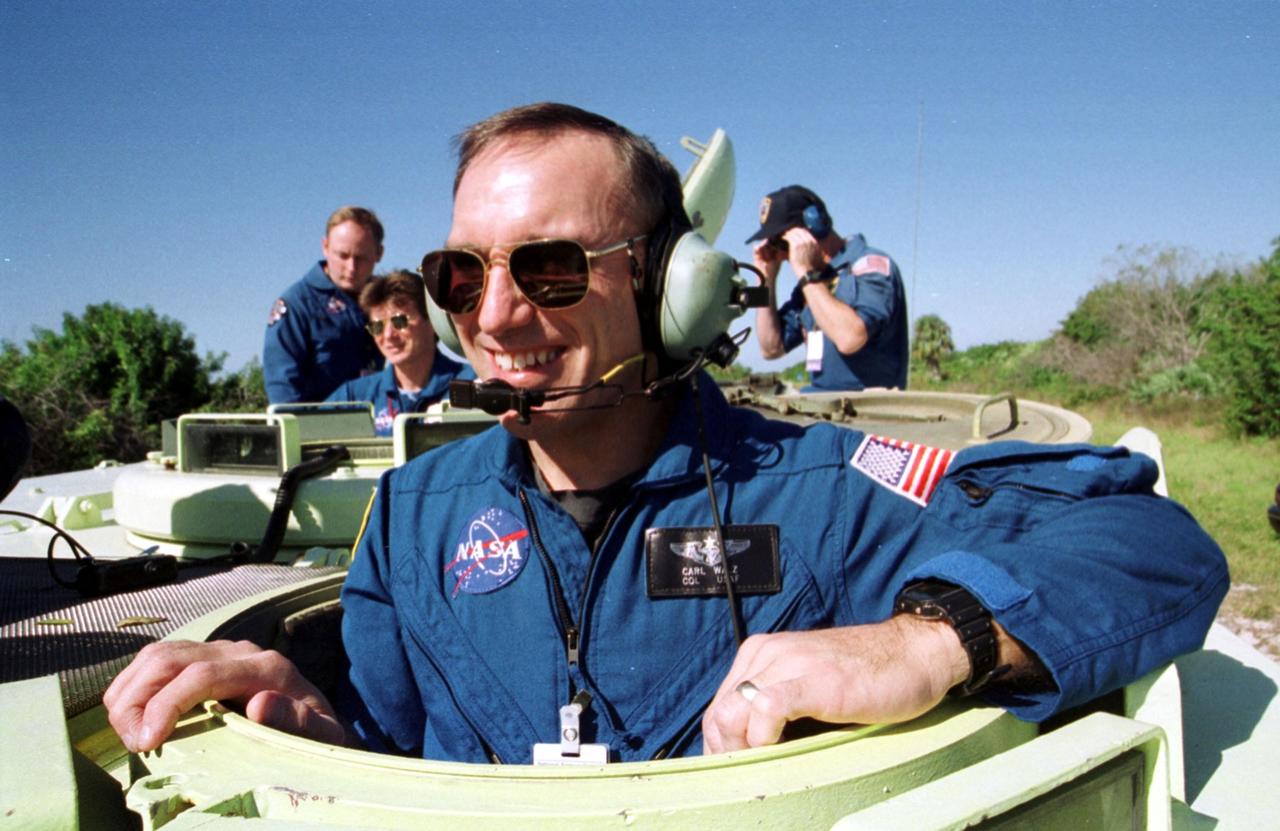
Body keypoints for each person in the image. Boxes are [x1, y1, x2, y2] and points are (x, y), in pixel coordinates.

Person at [105, 103, 1227, 765]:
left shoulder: (823, 490)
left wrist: (933, 640)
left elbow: (1147, 540)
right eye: (463, 275)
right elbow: (389, 732)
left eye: (550, 268)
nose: (494, 317)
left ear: (673, 290)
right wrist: (307, 713)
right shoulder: (412, 518)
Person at [749, 186, 908, 390]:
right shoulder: (811, 284)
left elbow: (850, 339)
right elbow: (770, 348)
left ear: (815, 226)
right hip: (821, 400)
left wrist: (805, 273)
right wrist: (765, 281)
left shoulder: (870, 266)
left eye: (782, 244)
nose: (780, 255)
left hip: (866, 404)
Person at [325, 270, 474, 436]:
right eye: (377, 326)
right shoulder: (354, 397)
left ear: (432, 321)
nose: (388, 335)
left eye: (399, 321)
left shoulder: (473, 384)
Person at [263, 206, 387, 403]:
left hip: (380, 417)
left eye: (361, 257)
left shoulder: (387, 302)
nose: (351, 267)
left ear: (379, 253)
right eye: (343, 256)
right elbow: (284, 393)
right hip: (319, 420)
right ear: (325, 246)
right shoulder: (297, 305)